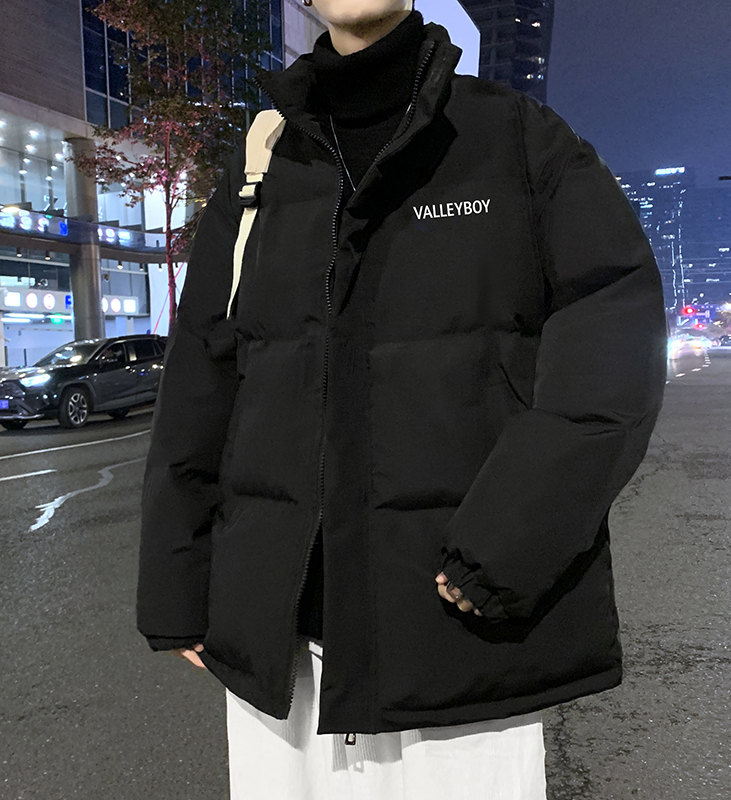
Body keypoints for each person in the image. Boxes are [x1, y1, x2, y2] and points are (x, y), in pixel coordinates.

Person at [136, 1, 667, 798]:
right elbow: (202, 378)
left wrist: (507, 546)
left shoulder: (517, 139)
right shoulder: (261, 168)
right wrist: (176, 585)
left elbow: (613, 339)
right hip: (279, 653)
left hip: (459, 642)